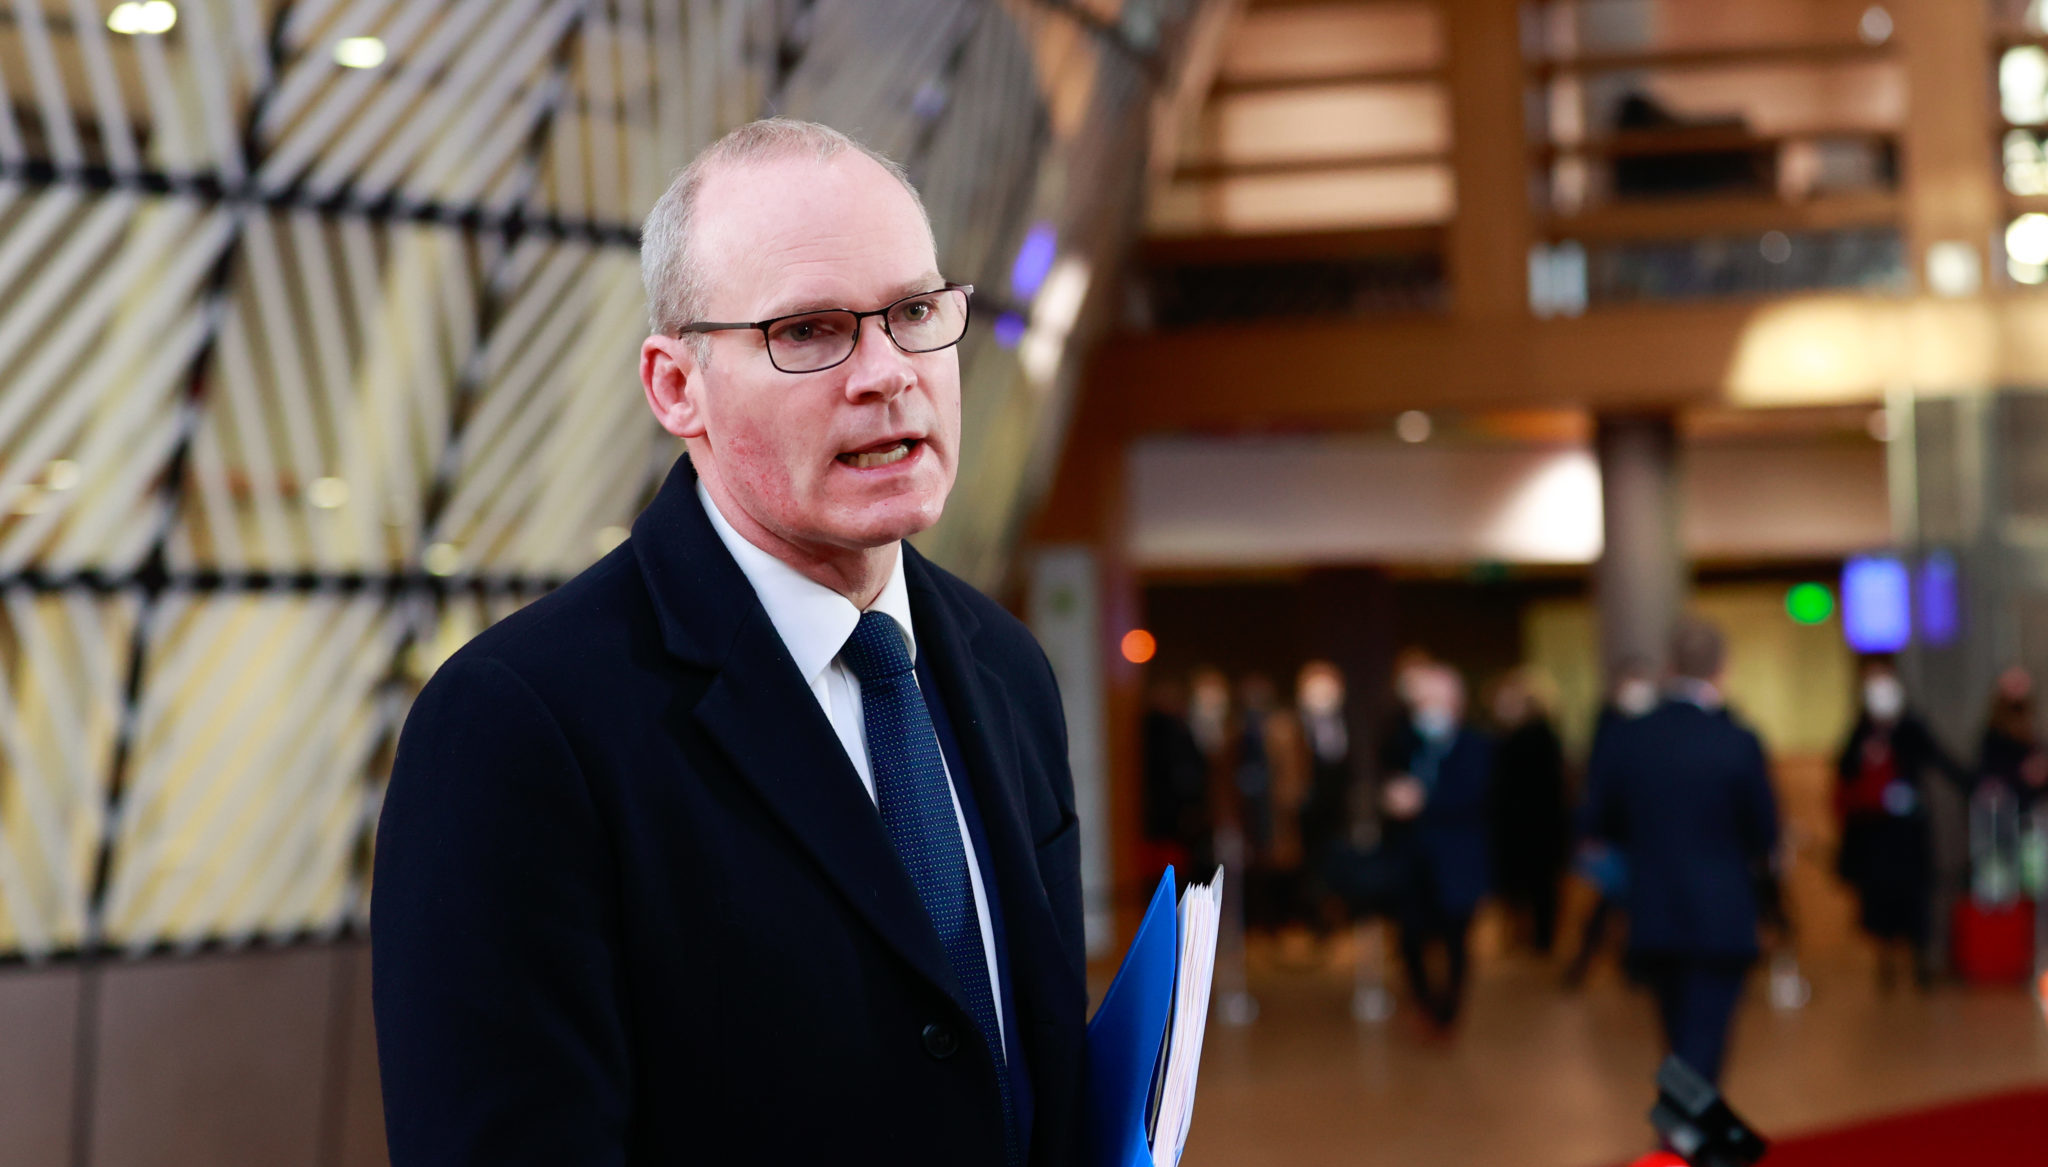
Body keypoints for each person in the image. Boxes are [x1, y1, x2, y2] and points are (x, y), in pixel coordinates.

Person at [371, 119, 1085, 1166]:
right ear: (675, 388)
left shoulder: (1005, 668)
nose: (887, 372)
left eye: (916, 312)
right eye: (807, 331)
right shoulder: (517, 728)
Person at [1585, 619, 1779, 1085]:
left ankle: (1693, 1141)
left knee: (1677, 1036)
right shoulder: (1737, 741)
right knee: (1703, 1041)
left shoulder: (1627, 738)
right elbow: (1764, 831)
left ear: (1670, 669)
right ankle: (1684, 1143)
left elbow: (1595, 819)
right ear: (1722, 670)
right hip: (1721, 913)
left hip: (1652, 910)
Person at [1833, 659, 1963, 989]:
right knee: (1881, 901)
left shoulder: (1910, 727)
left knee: (1916, 898)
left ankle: (1921, 963)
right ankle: (1886, 964)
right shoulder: (1860, 731)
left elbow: (1942, 760)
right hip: (1876, 835)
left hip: (1907, 834)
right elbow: (1845, 773)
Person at [1379, 662, 1493, 1030]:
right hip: (1412, 861)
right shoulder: (1402, 741)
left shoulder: (1476, 745)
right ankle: (1424, 1004)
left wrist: (1423, 800)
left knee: (1456, 941)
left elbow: (1478, 796)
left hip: (1457, 861)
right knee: (1410, 937)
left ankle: (1449, 1012)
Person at [1488, 667, 1569, 955]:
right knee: (1520, 885)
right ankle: (1523, 934)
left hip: (1539, 825)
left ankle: (1542, 938)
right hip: (1514, 825)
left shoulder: (1540, 736)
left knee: (1541, 885)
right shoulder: (1502, 738)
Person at [1977, 665, 2048, 810]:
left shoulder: (2031, 733)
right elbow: (1989, 777)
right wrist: (2024, 773)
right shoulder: (1995, 737)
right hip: (2006, 813)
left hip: (2031, 810)